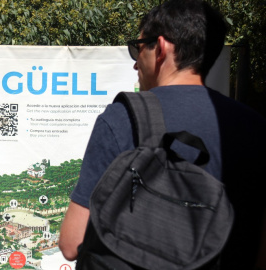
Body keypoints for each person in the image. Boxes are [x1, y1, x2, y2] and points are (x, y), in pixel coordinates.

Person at [58, 0, 266, 269]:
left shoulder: (123, 118)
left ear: (161, 49)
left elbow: (72, 242)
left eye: (138, 48)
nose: (135, 64)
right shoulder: (256, 128)